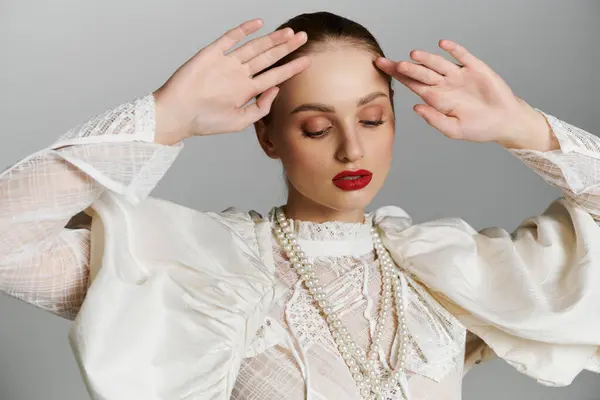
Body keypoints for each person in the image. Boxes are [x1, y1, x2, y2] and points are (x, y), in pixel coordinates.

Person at [1, 11, 599, 400]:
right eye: (316, 127)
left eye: (372, 118)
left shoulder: (446, 270)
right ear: (267, 136)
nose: (352, 147)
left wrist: (525, 127)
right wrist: (168, 116)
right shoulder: (205, 269)